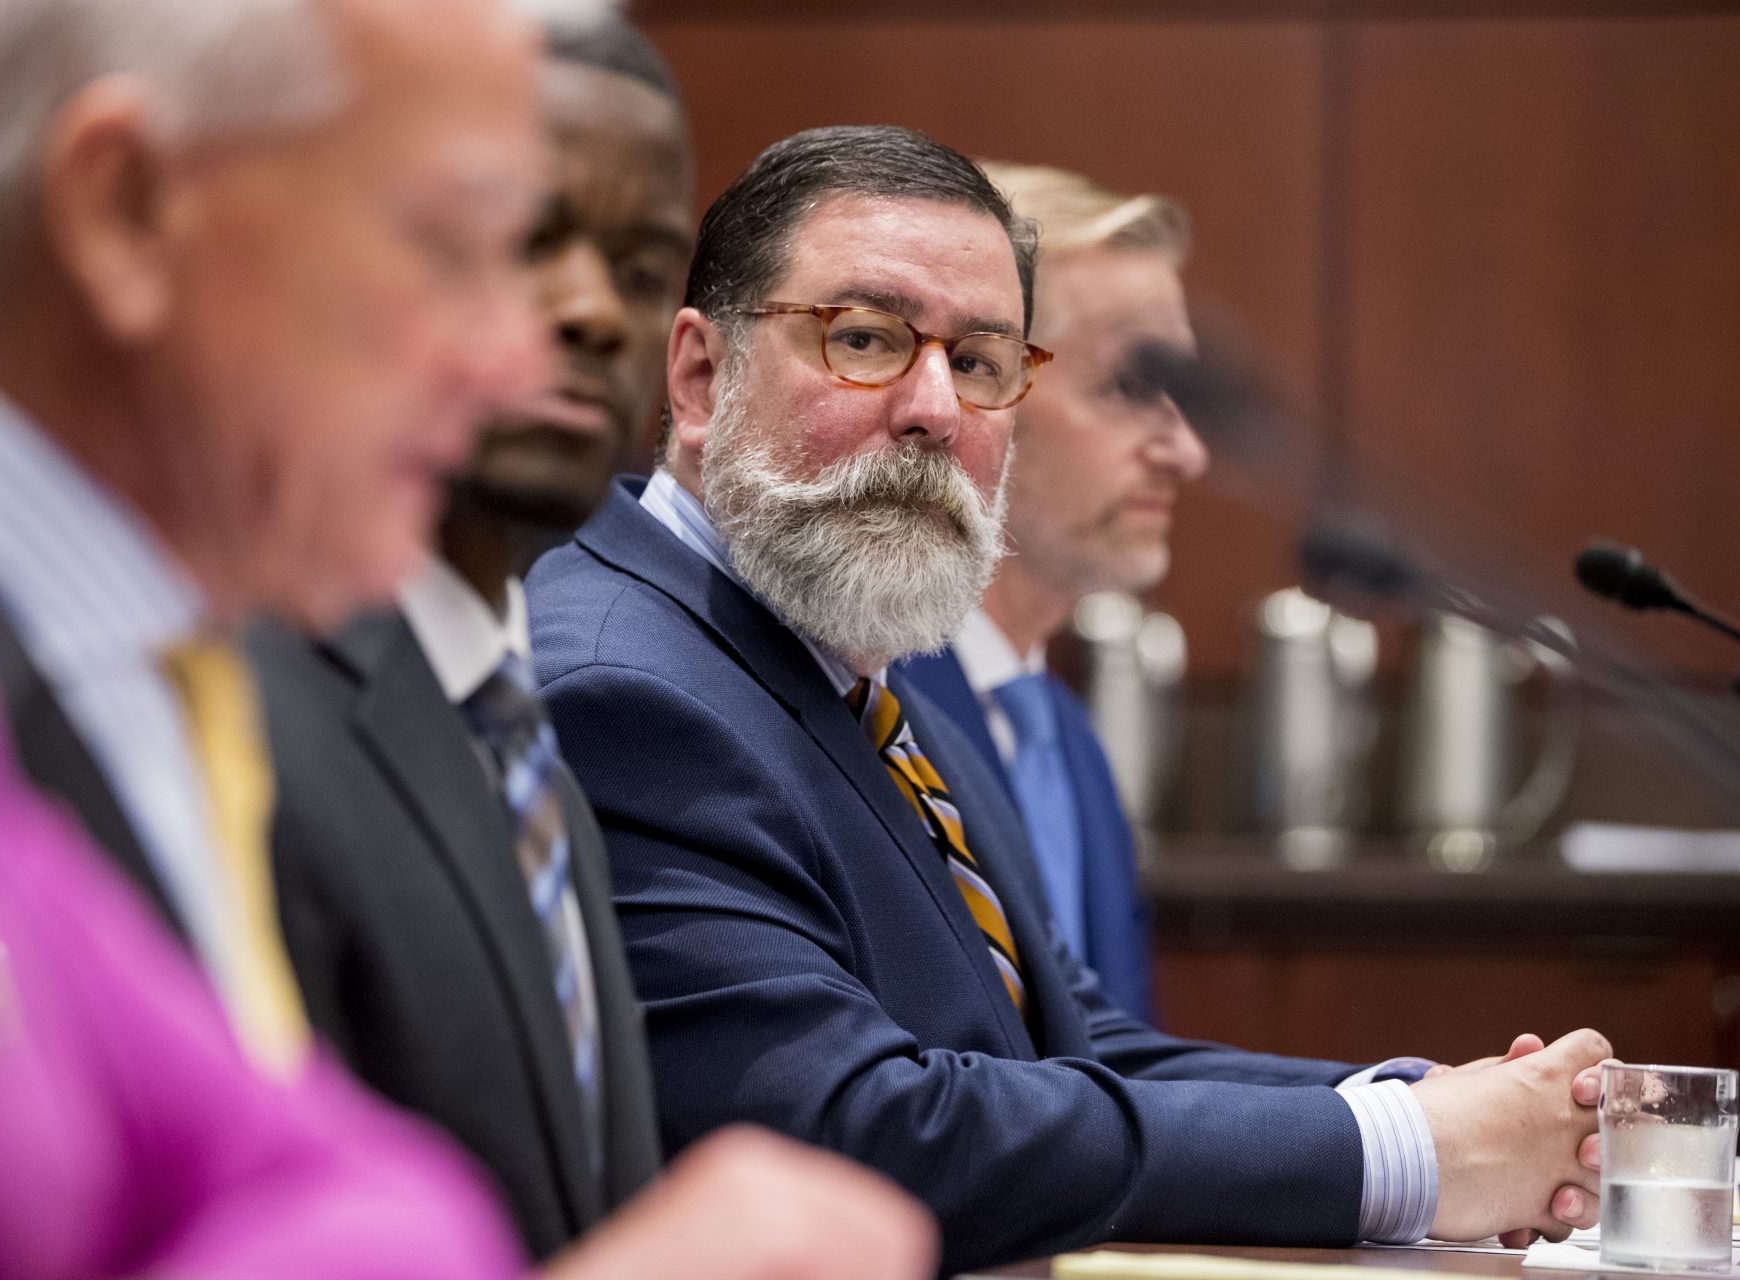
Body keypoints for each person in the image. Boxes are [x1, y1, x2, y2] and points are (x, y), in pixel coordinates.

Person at [0, 4, 936, 1278]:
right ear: (130, 209)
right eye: (453, 245)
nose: (510, 354)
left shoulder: (109, 660)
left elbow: (358, 1187)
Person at [527, 124, 1609, 1275]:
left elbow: (1072, 1052)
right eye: (864, 339)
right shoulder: (627, 691)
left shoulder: (866, 687)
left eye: (984, 360)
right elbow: (850, 1135)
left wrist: (1437, 1105)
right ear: (700, 378)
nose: (935, 408)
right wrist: (1403, 1148)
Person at [252, 13, 696, 1258]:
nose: (592, 309)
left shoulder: (523, 732)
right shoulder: (253, 707)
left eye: (642, 261)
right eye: (527, 238)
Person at [896, 163, 1208, 1022]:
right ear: (978, 388)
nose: (1186, 453)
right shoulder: (867, 712)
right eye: (1129, 387)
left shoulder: (1067, 737)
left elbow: (1123, 1080)